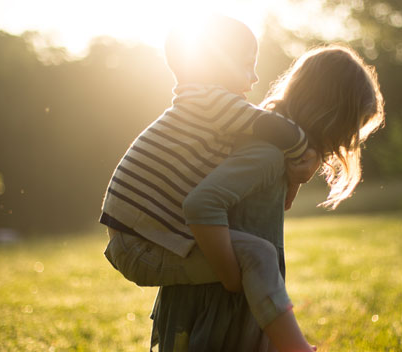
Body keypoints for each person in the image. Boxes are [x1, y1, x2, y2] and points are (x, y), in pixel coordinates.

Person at [100, 14, 319, 352]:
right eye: (248, 65)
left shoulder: (200, 106)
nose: (256, 76)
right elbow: (275, 128)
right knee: (258, 254)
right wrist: (304, 153)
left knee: (251, 254)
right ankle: (294, 348)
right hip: (140, 245)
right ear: (217, 64)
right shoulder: (211, 102)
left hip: (137, 239)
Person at [152, 45, 385, 351]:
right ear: (330, 114)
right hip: (220, 295)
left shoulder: (276, 151)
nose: (347, 140)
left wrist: (298, 173)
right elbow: (202, 203)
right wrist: (233, 279)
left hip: (238, 293)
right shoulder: (267, 154)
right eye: (350, 127)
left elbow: (271, 205)